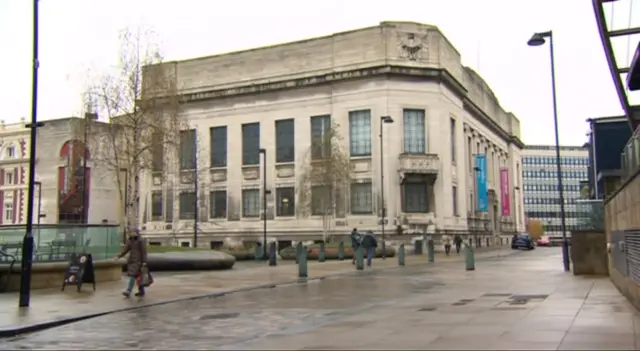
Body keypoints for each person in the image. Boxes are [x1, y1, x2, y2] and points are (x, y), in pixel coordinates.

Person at [115, 228, 148, 297]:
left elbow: (144, 252)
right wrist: (119, 256)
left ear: (136, 232)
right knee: (137, 276)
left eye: (133, 232)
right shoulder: (129, 240)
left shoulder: (141, 240)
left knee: (134, 275)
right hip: (132, 260)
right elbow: (125, 250)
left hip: (139, 261)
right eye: (130, 232)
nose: (131, 233)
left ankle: (128, 291)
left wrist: (144, 261)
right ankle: (141, 290)